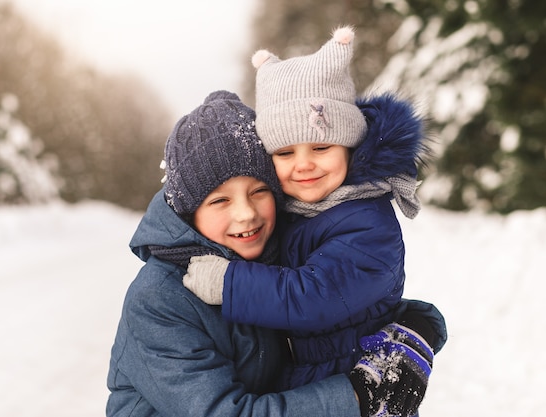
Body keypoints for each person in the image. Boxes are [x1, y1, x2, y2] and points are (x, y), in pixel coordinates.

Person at [106, 90, 433, 417]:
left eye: (259, 192)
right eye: (220, 201)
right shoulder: (159, 300)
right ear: (189, 211)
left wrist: (418, 329)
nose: (246, 214)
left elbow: (341, 300)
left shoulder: (268, 251)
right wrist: (358, 396)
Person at [182, 27, 446, 417]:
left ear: (349, 145)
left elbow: (315, 296)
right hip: (312, 379)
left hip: (356, 386)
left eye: (321, 147)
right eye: (285, 152)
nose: (303, 164)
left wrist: (229, 282)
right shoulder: (298, 210)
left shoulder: (366, 219)